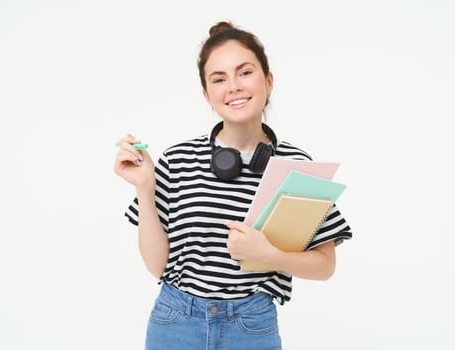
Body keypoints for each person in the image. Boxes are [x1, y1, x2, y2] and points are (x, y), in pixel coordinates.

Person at [114, 21, 352, 350]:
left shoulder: (298, 167)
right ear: (207, 94)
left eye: (245, 72)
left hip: (252, 326)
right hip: (176, 322)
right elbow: (157, 265)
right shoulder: (179, 158)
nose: (234, 86)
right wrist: (144, 187)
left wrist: (269, 254)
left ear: (268, 81)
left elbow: (325, 266)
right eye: (219, 79)